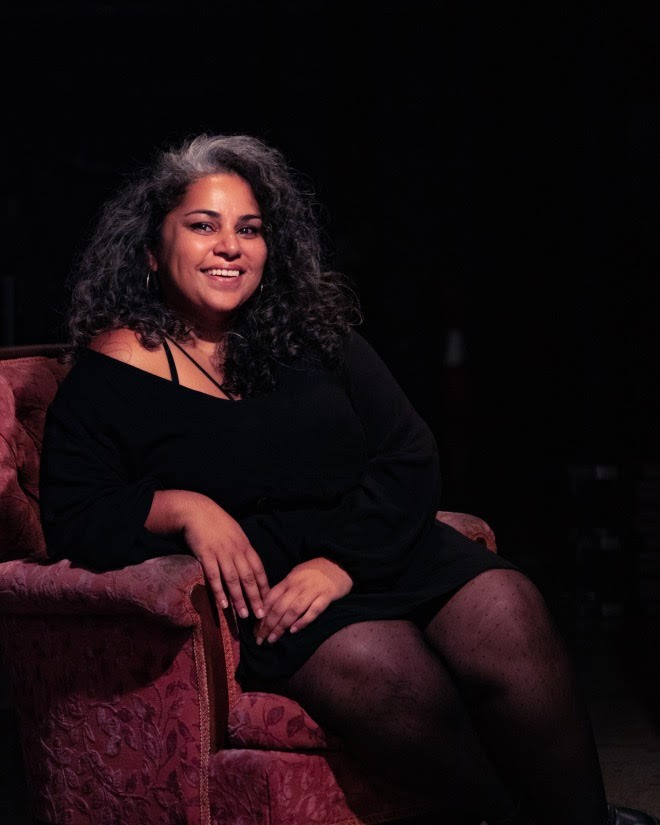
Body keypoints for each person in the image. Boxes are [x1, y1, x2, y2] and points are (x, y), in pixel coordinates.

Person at [38, 132, 657, 825]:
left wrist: (341, 562)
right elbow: (73, 514)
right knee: (382, 668)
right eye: (203, 225)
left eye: (250, 228)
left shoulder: (312, 336)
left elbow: (409, 454)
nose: (230, 246)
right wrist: (181, 507)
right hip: (278, 591)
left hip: (373, 546)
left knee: (508, 605)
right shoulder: (113, 371)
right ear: (153, 250)